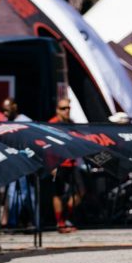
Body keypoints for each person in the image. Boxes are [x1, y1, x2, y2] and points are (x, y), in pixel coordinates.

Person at [49, 99, 80, 233]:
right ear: (57, 110)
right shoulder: (52, 124)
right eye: (63, 108)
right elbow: (47, 147)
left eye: (68, 108)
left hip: (72, 163)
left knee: (80, 191)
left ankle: (66, 218)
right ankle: (60, 223)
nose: (66, 110)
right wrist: (51, 165)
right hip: (58, 164)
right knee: (57, 193)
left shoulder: (71, 124)